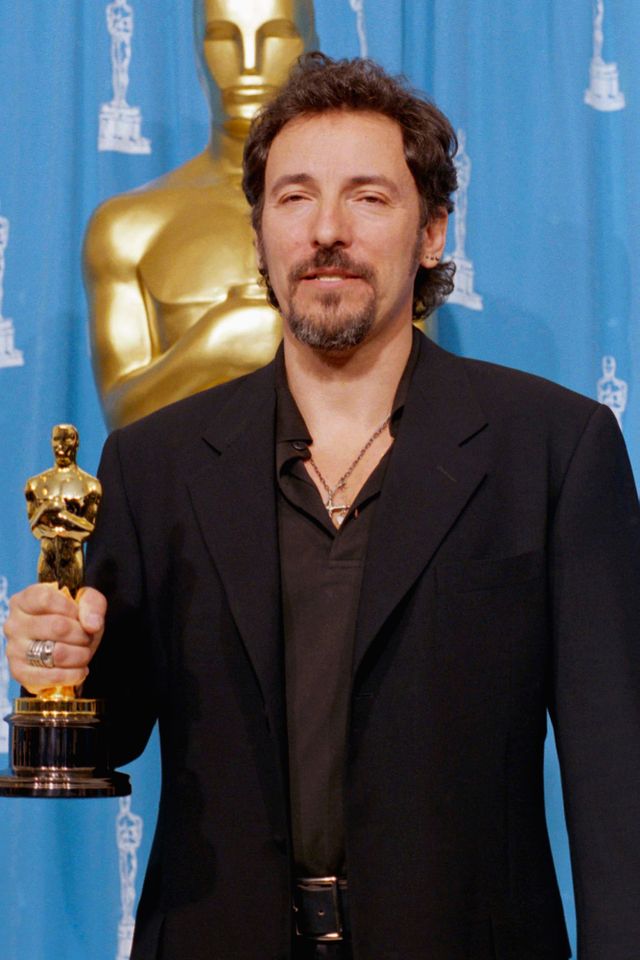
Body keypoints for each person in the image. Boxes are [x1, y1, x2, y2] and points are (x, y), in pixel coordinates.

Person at [6, 53, 640, 960]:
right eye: (295, 197)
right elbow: (105, 727)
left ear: (432, 233)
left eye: (369, 198)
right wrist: (52, 666)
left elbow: (619, 778)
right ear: (259, 230)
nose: (327, 231)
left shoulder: (553, 449)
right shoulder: (155, 461)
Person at [84, 0, 317, 429]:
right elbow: (123, 419)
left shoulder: (370, 216)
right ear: (195, 49)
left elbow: (407, 398)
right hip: (179, 490)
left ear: (312, 46)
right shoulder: (128, 227)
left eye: (276, 35)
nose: (248, 64)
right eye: (223, 37)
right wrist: (220, 345)